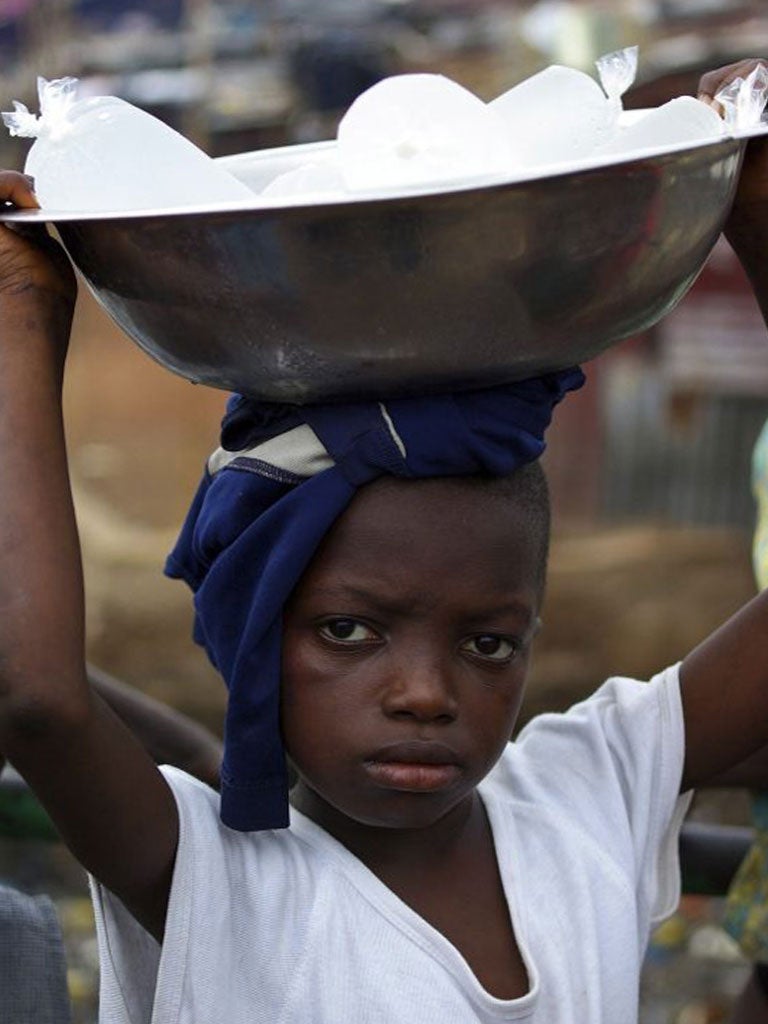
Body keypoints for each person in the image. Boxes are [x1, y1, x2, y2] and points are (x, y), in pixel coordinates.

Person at [0, 59, 766, 1024]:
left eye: (489, 643)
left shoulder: (584, 802)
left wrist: (753, 205)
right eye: (349, 633)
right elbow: (35, 697)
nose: (425, 694)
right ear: (253, 629)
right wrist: (20, 308)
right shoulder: (213, 879)